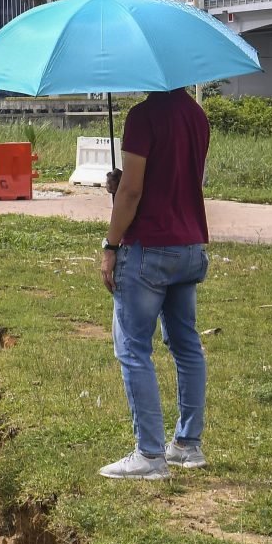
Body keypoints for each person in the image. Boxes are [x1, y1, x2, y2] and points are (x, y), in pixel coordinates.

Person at [96, 86, 211, 481]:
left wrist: (111, 244)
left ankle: (149, 454)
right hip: (190, 244)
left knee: (132, 348)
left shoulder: (142, 117)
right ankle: (187, 445)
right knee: (186, 344)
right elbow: (175, 178)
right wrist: (123, 181)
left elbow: (133, 192)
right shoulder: (197, 115)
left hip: (150, 248)